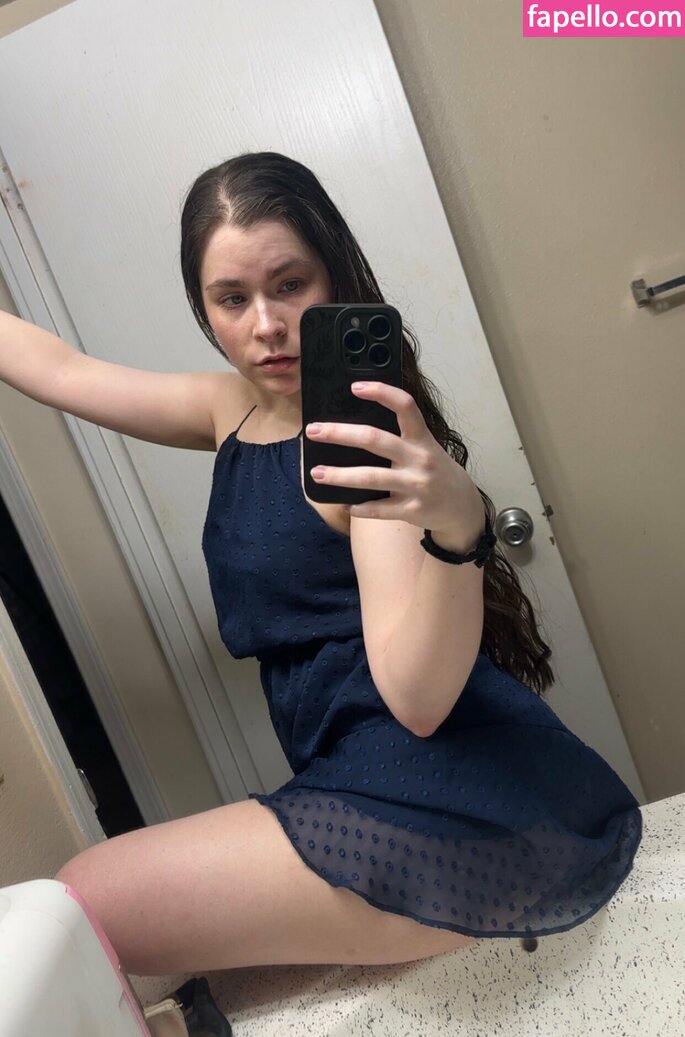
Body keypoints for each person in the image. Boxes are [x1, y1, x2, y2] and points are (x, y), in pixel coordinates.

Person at [1, 151, 642, 977]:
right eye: (233, 298)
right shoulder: (227, 408)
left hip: (435, 786)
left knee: (81, 902)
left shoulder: (359, 445)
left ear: (333, 278)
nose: (266, 325)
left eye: (289, 284)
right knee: (77, 907)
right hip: (354, 773)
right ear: (204, 307)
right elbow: (60, 369)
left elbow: (416, 702)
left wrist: (459, 530)